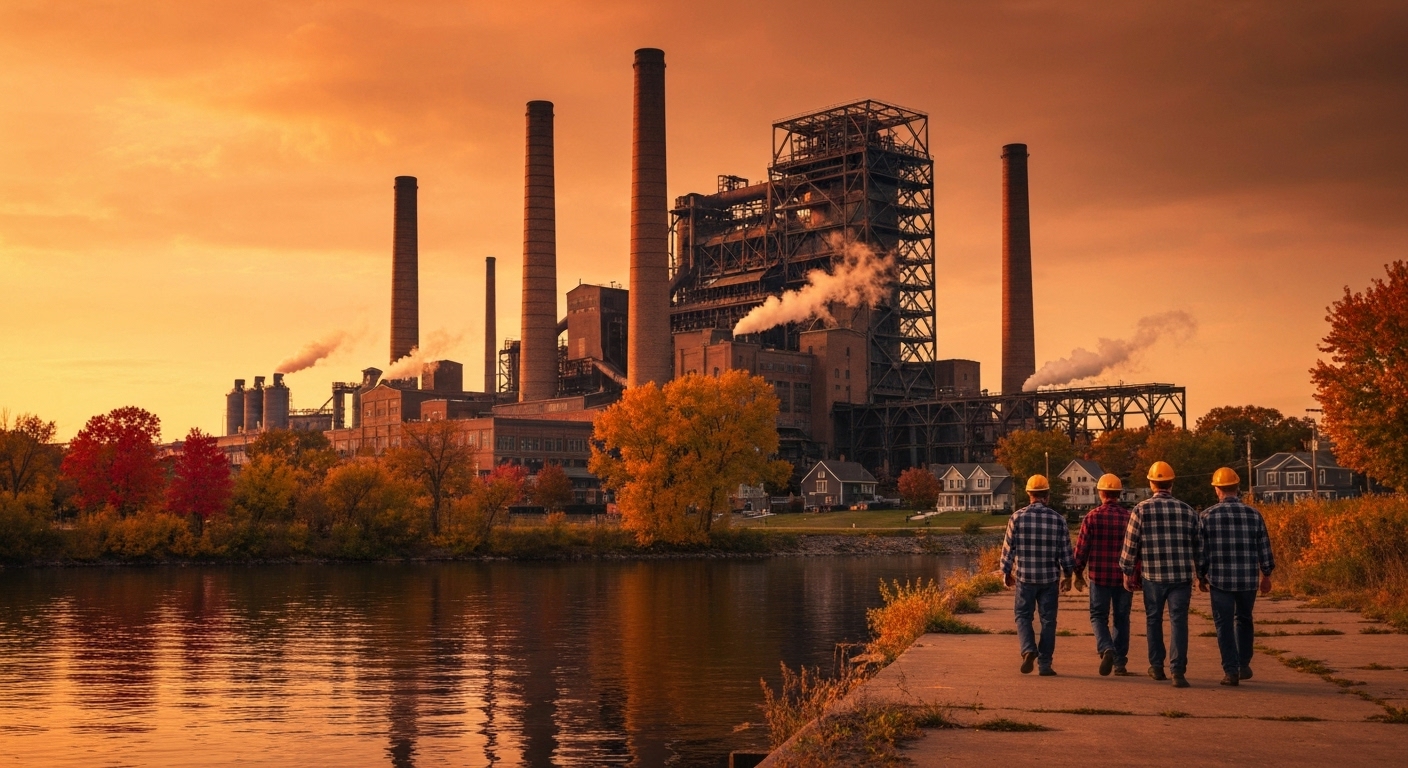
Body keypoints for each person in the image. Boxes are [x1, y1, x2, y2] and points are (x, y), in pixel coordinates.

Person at [1119, 461, 1203, 688]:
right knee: (1179, 621)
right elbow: (1199, 547)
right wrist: (1201, 574)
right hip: (1181, 577)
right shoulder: (1187, 511)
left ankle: (1156, 666)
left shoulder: (1141, 509)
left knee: (1153, 620)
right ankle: (1178, 671)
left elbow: (1131, 544)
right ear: (1172, 483)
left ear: (1151, 483)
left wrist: (1127, 571)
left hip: (1153, 576)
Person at [1198, 467, 1275, 686]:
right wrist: (1266, 574)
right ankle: (1244, 664)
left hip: (1220, 580)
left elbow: (1201, 551)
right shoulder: (1254, 515)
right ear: (1237, 487)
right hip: (1247, 580)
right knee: (1244, 619)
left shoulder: (1207, 516)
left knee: (1223, 624)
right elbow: (1264, 547)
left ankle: (1230, 671)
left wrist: (1201, 575)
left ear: (1217, 489)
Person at [1000, 475, 1076, 676]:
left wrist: (1006, 572)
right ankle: (1045, 665)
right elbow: (1066, 554)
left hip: (1025, 578)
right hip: (1049, 579)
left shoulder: (1017, 517)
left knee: (1023, 615)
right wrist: (1068, 574)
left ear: (1029, 494)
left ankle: (1028, 649)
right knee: (1048, 621)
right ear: (1047, 496)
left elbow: (1008, 550)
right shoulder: (1058, 520)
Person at [1074, 474, 1137, 676]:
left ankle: (1105, 647)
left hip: (1099, 576)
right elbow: (1136, 548)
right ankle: (1119, 663)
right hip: (1123, 577)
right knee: (1122, 618)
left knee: (1098, 616)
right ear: (1119, 494)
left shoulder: (1092, 517)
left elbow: (1082, 549)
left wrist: (1077, 572)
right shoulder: (1129, 517)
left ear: (1100, 492)